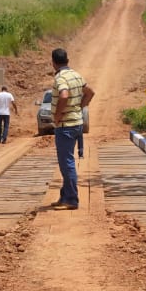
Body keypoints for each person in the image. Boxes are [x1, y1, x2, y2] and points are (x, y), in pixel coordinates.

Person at [47, 47, 94, 210]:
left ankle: (72, 199)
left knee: (66, 163)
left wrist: (58, 115)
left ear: (53, 63)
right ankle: (64, 195)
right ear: (67, 60)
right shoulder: (76, 75)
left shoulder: (60, 78)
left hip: (65, 125)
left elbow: (64, 95)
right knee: (66, 162)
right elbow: (90, 93)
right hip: (76, 124)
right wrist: (80, 107)